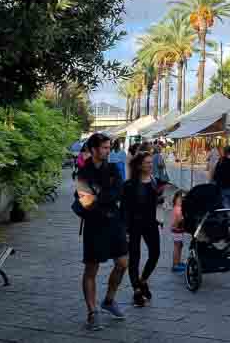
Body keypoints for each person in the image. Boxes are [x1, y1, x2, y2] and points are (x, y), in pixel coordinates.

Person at [74, 133, 128, 331]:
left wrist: (99, 196)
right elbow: (86, 202)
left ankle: (109, 300)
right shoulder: (83, 172)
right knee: (91, 269)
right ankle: (92, 312)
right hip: (94, 225)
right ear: (94, 149)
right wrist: (103, 197)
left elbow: (119, 191)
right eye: (104, 148)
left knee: (122, 263)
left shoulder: (113, 168)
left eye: (108, 147)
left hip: (114, 223)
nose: (107, 150)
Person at [122, 151, 165, 307]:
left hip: (151, 223)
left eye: (150, 162)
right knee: (135, 258)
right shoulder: (129, 185)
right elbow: (125, 209)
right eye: (147, 163)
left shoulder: (154, 181)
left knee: (155, 253)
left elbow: (156, 202)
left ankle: (143, 280)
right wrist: (125, 230)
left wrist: (160, 201)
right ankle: (136, 291)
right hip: (133, 225)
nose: (150, 165)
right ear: (139, 165)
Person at [213, 145, 230, 209]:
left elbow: (215, 177)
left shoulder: (220, 162)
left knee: (225, 210)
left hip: (222, 189)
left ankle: (228, 219)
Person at [170, 190, 187, 273]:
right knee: (177, 247)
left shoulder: (178, 208)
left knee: (179, 246)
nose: (181, 201)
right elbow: (178, 220)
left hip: (177, 230)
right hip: (177, 230)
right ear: (175, 199)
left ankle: (177, 262)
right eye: (180, 199)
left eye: (182, 200)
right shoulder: (178, 209)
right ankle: (175, 264)